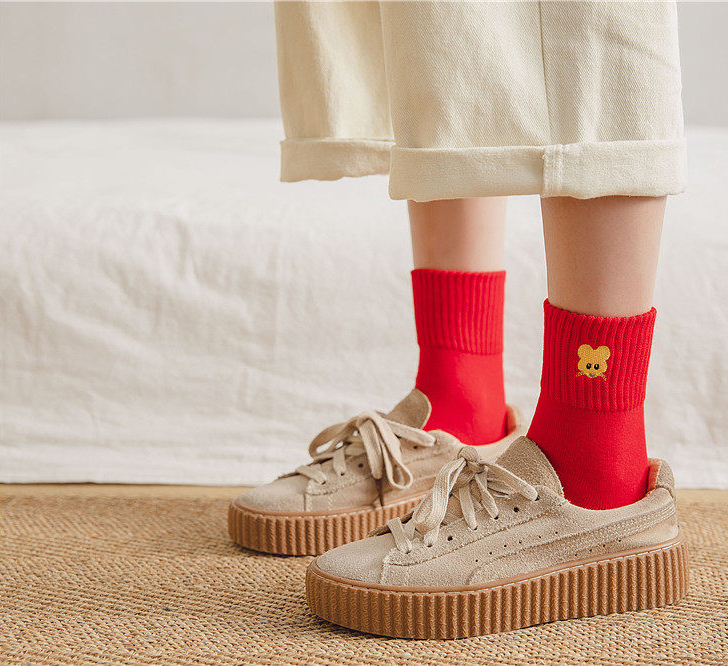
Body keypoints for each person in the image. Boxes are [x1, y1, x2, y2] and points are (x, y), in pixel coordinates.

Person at [230, 1, 689, 638]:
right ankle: (460, 409)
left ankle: (596, 472)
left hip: (597, 478)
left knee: (582, 49)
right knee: (445, 40)